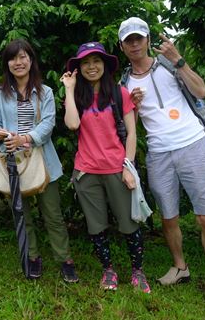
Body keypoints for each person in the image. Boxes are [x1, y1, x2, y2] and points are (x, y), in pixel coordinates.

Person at [118, 17, 205, 303]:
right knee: (169, 217)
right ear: (122, 46)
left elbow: (201, 91)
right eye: (128, 40)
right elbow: (131, 128)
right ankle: (180, 267)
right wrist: (136, 107)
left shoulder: (167, 63)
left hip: (192, 142)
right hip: (158, 152)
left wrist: (179, 60)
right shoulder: (124, 83)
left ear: (147, 40)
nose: (134, 44)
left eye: (139, 38)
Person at [61, 42, 150, 293]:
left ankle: (138, 272)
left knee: (129, 224)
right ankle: (108, 270)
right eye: (86, 63)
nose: (92, 67)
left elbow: (132, 133)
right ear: (79, 67)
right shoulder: (78, 96)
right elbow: (72, 125)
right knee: (96, 226)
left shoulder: (119, 93)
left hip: (116, 168)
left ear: (105, 65)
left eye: (96, 61)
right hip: (87, 171)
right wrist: (68, 90)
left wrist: (128, 167)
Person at [0, 39, 79, 283]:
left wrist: (25, 138)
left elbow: (48, 124)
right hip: (12, 163)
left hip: (43, 160)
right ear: (7, 64)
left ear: (31, 60)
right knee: (22, 214)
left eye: (23, 57)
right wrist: (0, 135)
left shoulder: (46, 91)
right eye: (13, 58)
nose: (18, 62)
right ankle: (33, 256)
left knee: (53, 214)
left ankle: (64, 259)